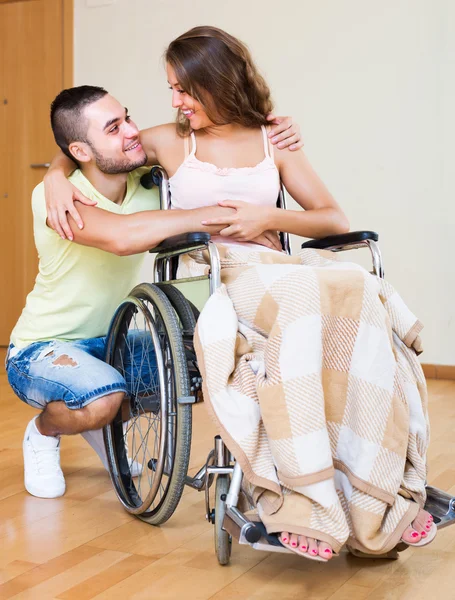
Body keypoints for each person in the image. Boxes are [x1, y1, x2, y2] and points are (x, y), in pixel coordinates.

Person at [43, 27, 434, 561]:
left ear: (219, 83)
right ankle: (306, 500)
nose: (175, 101)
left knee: (361, 290)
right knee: (306, 303)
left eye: (184, 89)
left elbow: (333, 218)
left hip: (279, 267)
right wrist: (55, 177)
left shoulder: (273, 140)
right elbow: (97, 150)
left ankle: (377, 497)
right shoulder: (171, 140)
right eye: (171, 88)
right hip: (216, 276)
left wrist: (267, 217)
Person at [6, 83, 302, 501]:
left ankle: (98, 416)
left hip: (114, 342)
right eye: (114, 127)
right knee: (103, 397)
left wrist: (270, 132)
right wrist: (55, 176)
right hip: (41, 348)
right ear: (82, 152)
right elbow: (123, 237)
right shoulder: (57, 199)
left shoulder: (149, 184)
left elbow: (209, 145)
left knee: (202, 369)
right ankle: (45, 430)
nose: (131, 130)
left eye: (126, 116)